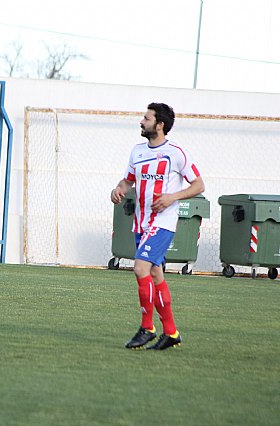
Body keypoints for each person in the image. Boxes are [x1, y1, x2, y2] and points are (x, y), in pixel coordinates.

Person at [110, 102, 205, 350]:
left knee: (140, 268)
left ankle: (147, 327)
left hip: (162, 224)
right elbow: (128, 180)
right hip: (140, 224)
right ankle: (171, 333)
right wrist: (119, 189)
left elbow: (198, 185)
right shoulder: (137, 151)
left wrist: (172, 197)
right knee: (154, 274)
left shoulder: (176, 153)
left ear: (159, 125)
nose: (141, 121)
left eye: (146, 118)